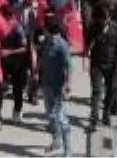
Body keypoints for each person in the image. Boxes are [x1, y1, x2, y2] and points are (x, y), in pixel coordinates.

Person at [85, 7, 117, 128]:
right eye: (101, 20)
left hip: (112, 64)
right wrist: (87, 51)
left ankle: (106, 113)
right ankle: (94, 118)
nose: (104, 22)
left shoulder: (116, 29)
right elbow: (87, 44)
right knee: (96, 91)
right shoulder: (93, 28)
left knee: (111, 90)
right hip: (96, 63)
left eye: (105, 19)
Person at [38, 18, 72, 158]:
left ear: (48, 30)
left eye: (44, 28)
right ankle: (56, 140)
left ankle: (68, 150)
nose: (43, 31)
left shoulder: (61, 45)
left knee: (61, 117)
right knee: (50, 114)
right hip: (46, 83)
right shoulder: (46, 41)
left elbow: (69, 66)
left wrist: (67, 85)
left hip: (58, 86)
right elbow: (43, 59)